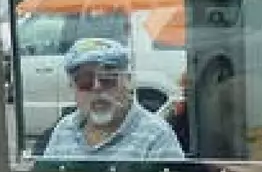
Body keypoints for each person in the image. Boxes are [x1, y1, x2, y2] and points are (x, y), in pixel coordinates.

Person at [42, 37, 184, 161]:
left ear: (128, 81)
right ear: (72, 87)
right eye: (85, 81)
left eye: (107, 79)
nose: (97, 88)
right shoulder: (64, 129)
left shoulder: (156, 135)